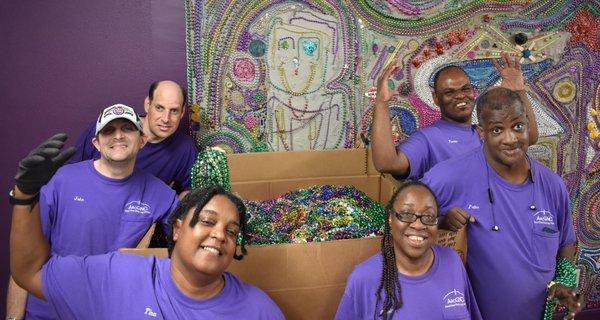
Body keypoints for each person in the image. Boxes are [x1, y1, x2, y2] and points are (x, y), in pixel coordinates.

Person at [8, 135, 285, 319]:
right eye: (207, 220)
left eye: (232, 230)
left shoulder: (258, 309)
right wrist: (24, 196)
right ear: (177, 229)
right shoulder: (118, 275)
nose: (219, 234)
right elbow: (28, 273)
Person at [421, 87, 581, 319]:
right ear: (481, 132)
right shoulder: (452, 175)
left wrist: (563, 284)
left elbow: (565, 243)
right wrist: (440, 222)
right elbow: (402, 216)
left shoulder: (552, 185)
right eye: (497, 129)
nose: (510, 139)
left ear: (528, 123)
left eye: (518, 126)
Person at [7, 105, 179, 319]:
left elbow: (188, 238)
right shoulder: (61, 180)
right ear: (96, 143)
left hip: (109, 310)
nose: (118, 136)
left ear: (142, 140)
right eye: (108, 130)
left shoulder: (160, 194)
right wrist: (13, 318)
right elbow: (25, 255)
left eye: (127, 128)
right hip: (51, 306)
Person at [371, 52, 538, 180]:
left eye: (465, 89)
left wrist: (519, 91)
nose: (460, 96)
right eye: (449, 92)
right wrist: (381, 103)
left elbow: (530, 137)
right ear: (436, 98)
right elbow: (386, 163)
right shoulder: (428, 138)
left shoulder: (484, 132)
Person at [335, 180, 481, 320]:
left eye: (428, 216)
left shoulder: (453, 262)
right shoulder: (364, 278)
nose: (418, 225)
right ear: (390, 218)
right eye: (406, 214)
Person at [67, 80, 197, 196]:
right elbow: (70, 174)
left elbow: (190, 192)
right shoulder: (103, 129)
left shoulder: (184, 148)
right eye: (159, 108)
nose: (165, 119)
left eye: (174, 110)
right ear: (147, 104)